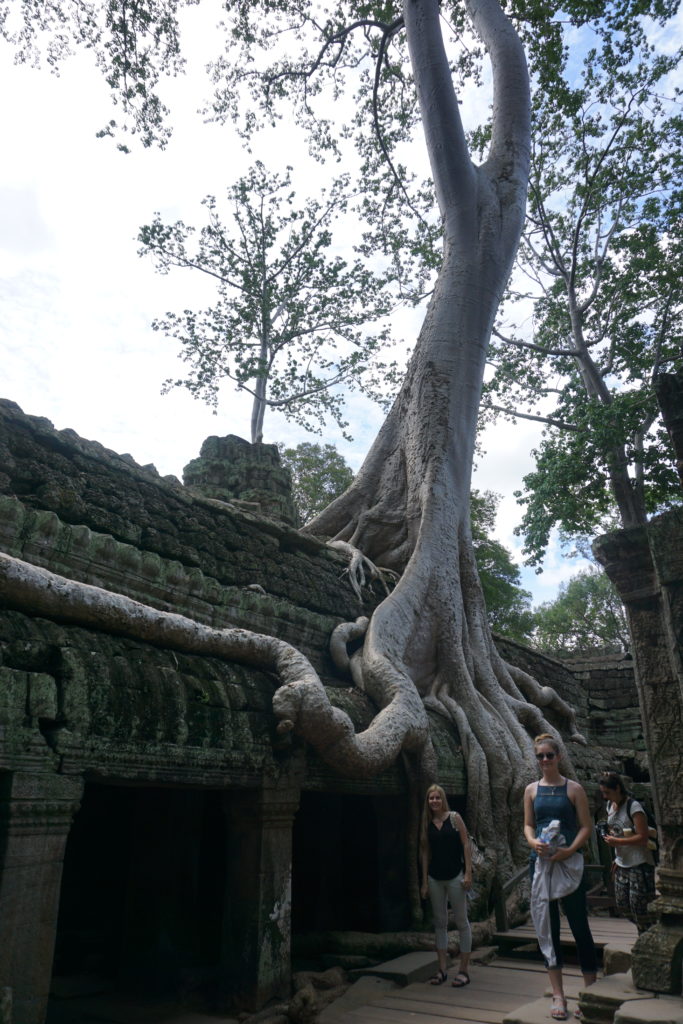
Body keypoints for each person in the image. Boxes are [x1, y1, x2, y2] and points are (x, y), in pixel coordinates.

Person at [524, 734, 597, 1022]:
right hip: (540, 863)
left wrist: (570, 850)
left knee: (579, 924)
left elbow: (585, 827)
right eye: (540, 756)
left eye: (549, 755)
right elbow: (528, 825)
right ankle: (558, 994)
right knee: (547, 926)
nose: (544, 761)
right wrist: (533, 843)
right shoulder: (530, 790)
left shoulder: (574, 789)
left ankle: (590, 988)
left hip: (569, 863)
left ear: (558, 757)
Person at [419, 784, 473, 988]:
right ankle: (442, 969)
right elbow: (425, 853)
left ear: (443, 799)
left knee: (461, 921)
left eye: (437, 798)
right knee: (440, 923)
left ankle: (464, 970)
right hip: (435, 877)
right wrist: (424, 881)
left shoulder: (454, 818)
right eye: (431, 798)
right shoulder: (427, 823)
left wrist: (468, 872)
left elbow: (466, 844)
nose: (434, 801)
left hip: (455, 876)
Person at [598, 771, 656, 933]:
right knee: (623, 904)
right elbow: (616, 830)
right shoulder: (610, 806)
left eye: (607, 792)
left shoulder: (634, 807)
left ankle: (645, 936)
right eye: (603, 793)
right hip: (622, 861)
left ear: (617, 788)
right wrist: (616, 857)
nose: (605, 796)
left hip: (640, 862)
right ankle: (646, 930)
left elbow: (643, 837)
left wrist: (617, 842)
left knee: (640, 906)